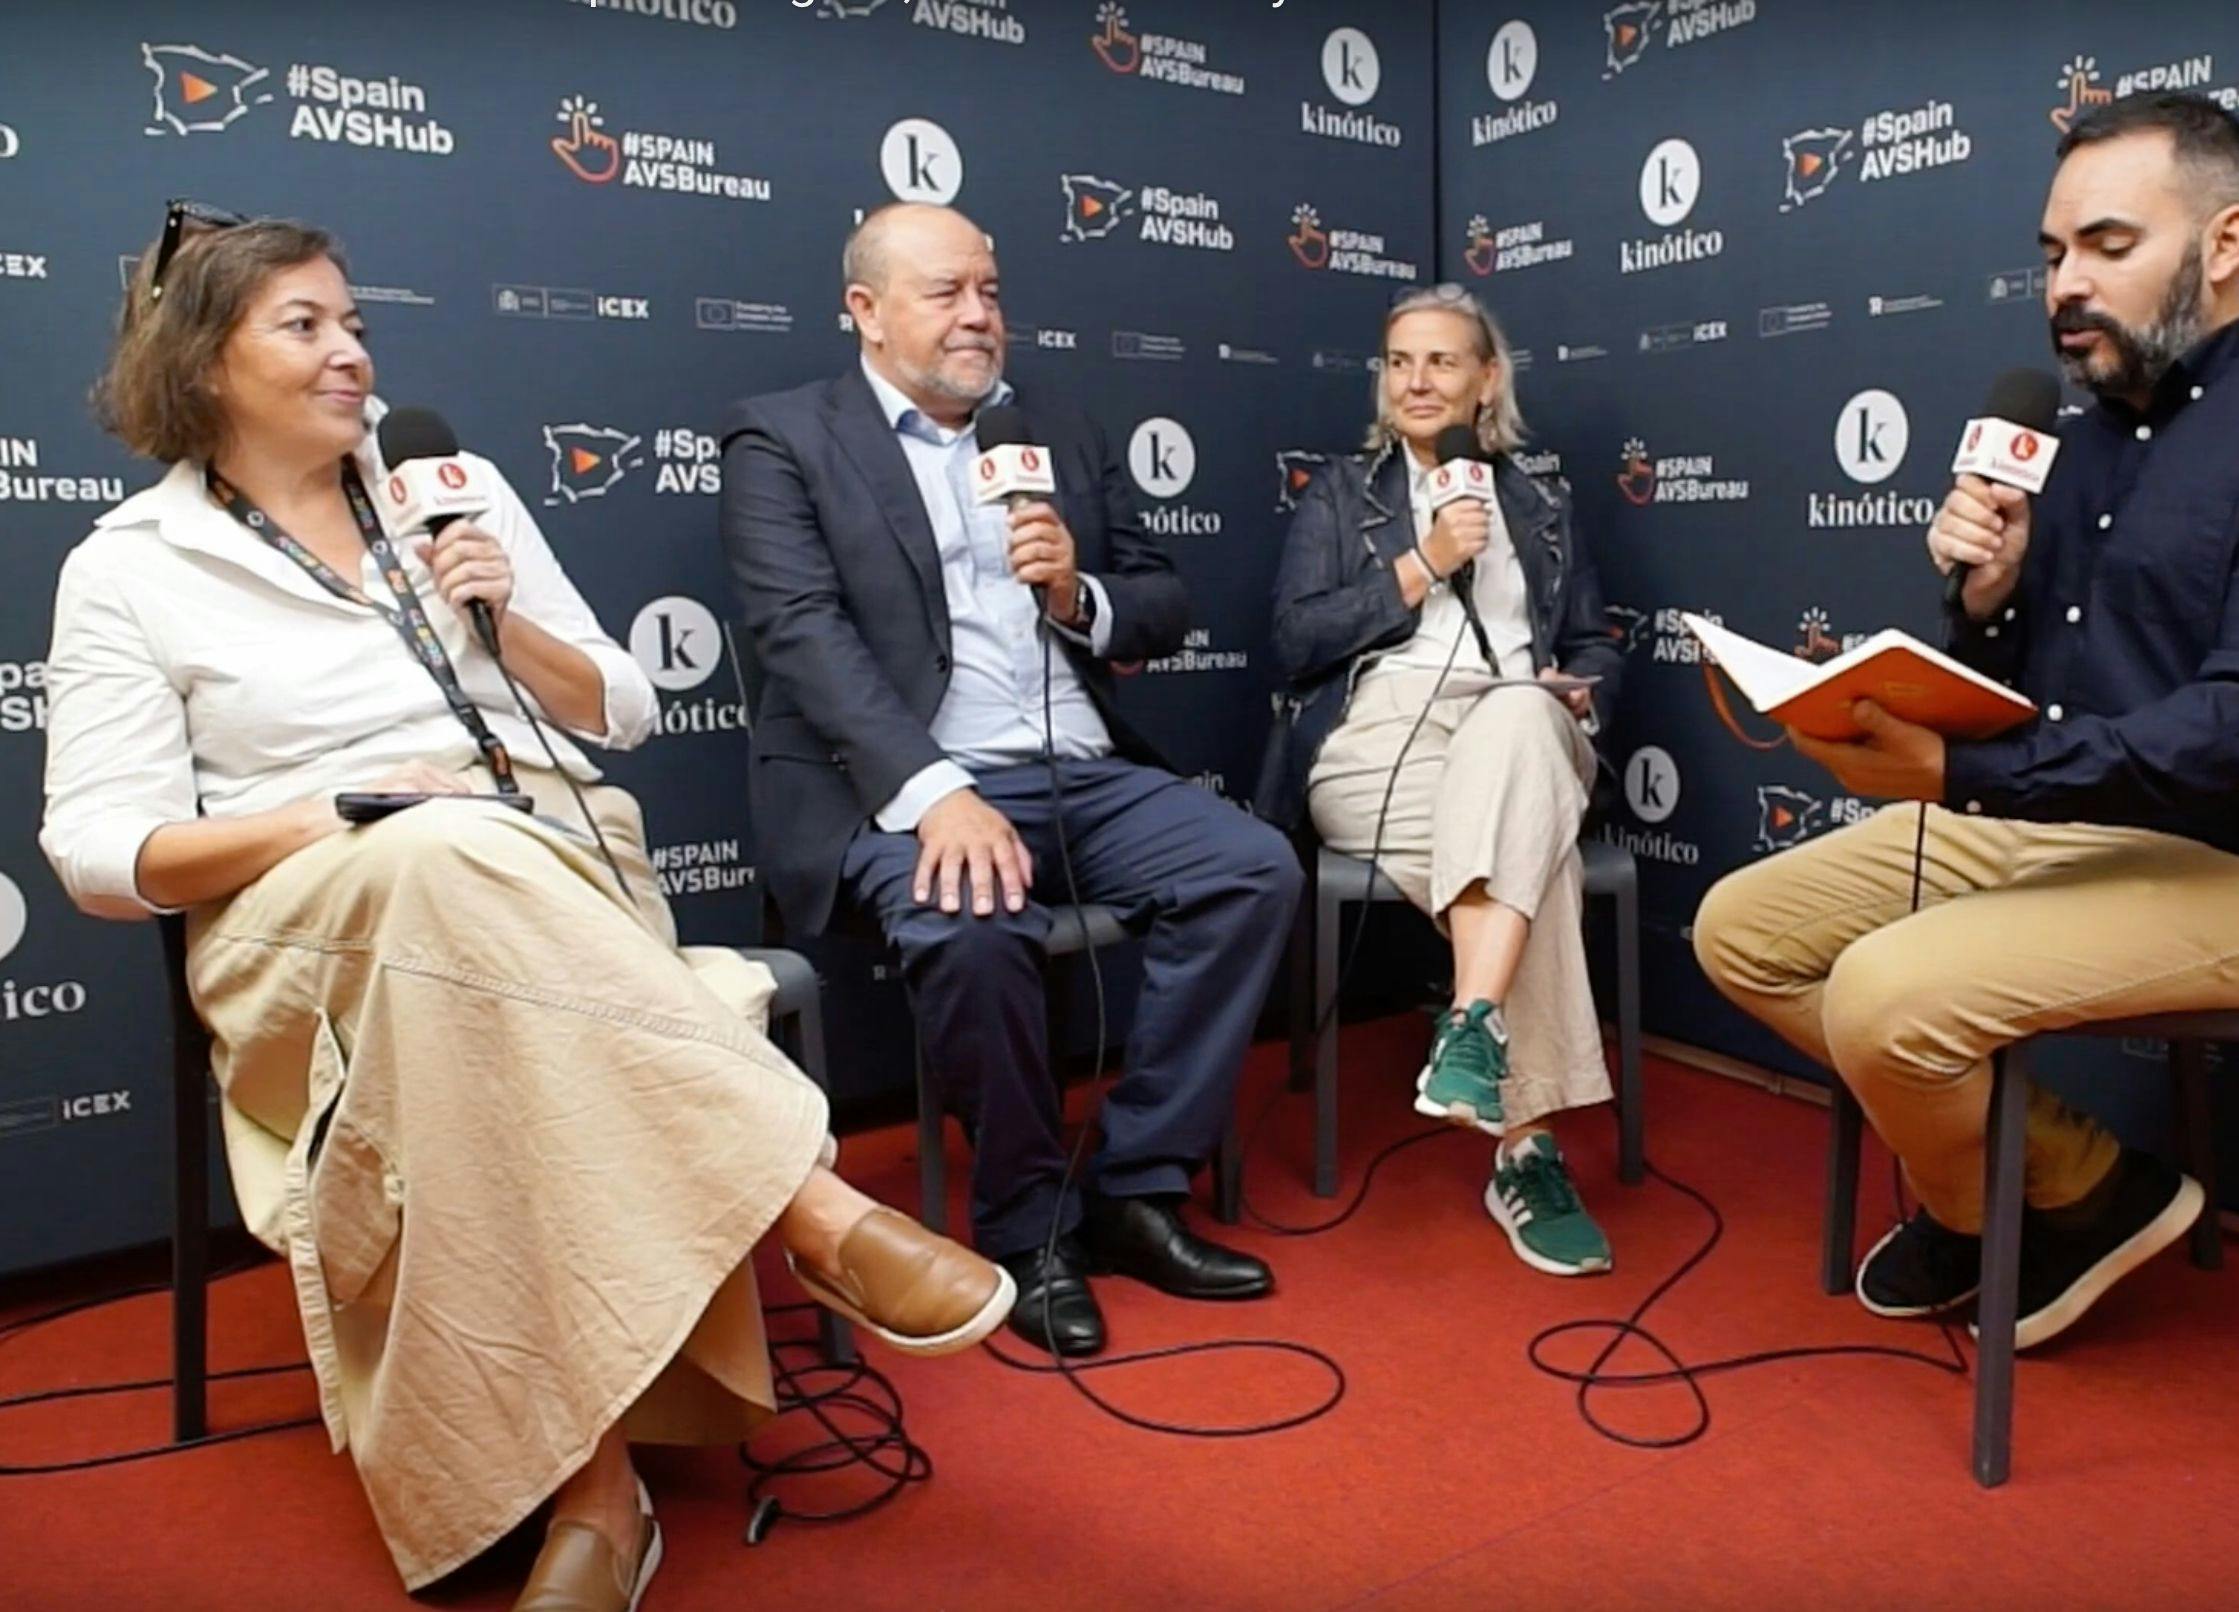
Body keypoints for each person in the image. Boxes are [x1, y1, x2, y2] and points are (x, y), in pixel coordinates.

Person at [41, 205, 1012, 1610]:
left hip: (539, 881)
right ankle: (796, 1199)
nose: (349, 353)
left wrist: (508, 628)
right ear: (199, 365)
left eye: (354, 321)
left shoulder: (453, 485)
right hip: (301, 922)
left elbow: (619, 705)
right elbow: (99, 854)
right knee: (434, 859)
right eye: (303, 326)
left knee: (473, 965)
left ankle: (596, 1497)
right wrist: (343, 810)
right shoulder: (131, 565)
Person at [1694, 92, 2239, 1350]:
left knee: (1884, 995)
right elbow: (2034, 680)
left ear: (2222, 246)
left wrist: (1971, 768)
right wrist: (1988, 603)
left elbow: (2222, 727)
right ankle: (2077, 1187)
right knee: (1742, 930)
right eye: (2052, 255)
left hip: (2215, 848)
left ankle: (2005, 1207)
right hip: (2074, 815)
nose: (2064, 284)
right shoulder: (2078, 433)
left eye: (2107, 246)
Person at [720, 202, 1300, 1360]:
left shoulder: (1055, 429)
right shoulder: (782, 436)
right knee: (973, 919)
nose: (979, 314)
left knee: (1254, 870)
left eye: (989, 289)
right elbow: (799, 632)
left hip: (1076, 766)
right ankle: (1029, 1227)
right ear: (866, 311)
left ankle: (1135, 1187)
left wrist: (1077, 594)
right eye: (946, 292)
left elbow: (1161, 598)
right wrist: (934, 789)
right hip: (895, 780)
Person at [1259, 283, 1624, 1276]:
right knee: (1529, 859)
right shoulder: (1341, 493)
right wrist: (1420, 564)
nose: (1417, 380)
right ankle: (1525, 1146)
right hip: (1378, 738)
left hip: (1518, 723)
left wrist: (1579, 692)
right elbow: (1293, 642)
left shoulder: (1539, 502)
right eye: (1400, 362)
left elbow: (1591, 643)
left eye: (1442, 360)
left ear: (1486, 377)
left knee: (1519, 721)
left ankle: (1469, 1025)